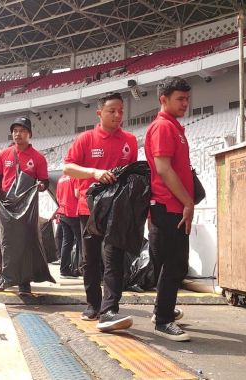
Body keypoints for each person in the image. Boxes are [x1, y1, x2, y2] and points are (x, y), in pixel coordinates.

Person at [63, 92, 138, 332]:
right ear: (99, 113)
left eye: (120, 111)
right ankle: (93, 304)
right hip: (90, 209)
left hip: (119, 209)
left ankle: (110, 309)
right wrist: (94, 173)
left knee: (114, 258)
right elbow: (68, 167)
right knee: (90, 259)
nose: (117, 115)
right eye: (111, 111)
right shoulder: (86, 139)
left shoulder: (130, 140)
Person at [144, 77, 193, 341]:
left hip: (170, 205)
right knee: (174, 264)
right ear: (163, 100)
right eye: (180, 99)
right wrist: (187, 201)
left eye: (187, 99)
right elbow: (163, 168)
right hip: (168, 205)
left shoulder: (173, 127)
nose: (185, 103)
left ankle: (161, 312)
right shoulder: (163, 127)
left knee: (171, 263)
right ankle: (163, 320)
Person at [0, 116, 49, 294]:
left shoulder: (38, 158)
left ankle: (23, 280)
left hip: (25, 207)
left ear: (29, 134)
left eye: (22, 131)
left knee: (24, 243)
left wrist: (40, 186)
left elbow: (44, 181)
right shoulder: (3, 154)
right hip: (5, 204)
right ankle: (5, 275)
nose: (18, 134)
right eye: (15, 131)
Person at [55, 175, 81, 278]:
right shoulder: (75, 177)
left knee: (67, 242)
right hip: (74, 213)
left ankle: (64, 269)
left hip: (63, 213)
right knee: (82, 242)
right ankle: (82, 269)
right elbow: (77, 194)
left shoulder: (61, 179)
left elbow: (57, 197)